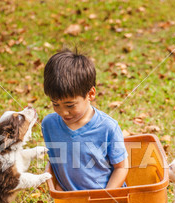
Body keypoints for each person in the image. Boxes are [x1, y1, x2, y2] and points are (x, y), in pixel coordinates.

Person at [41, 49, 128, 191]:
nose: (63, 112)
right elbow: (56, 160)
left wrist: (105, 197)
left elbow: (121, 167)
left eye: (70, 105)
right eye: (55, 104)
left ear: (91, 94)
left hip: (107, 198)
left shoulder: (108, 127)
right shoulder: (49, 125)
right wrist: (57, 186)